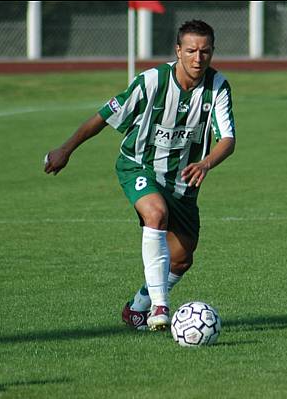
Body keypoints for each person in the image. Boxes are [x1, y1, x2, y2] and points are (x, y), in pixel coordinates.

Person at [44, 20, 236, 331]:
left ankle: (137, 307)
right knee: (155, 214)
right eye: (191, 51)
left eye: (205, 51)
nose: (198, 58)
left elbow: (227, 139)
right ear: (178, 51)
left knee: (182, 259)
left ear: (212, 52)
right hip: (139, 165)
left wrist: (206, 163)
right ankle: (161, 307)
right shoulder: (151, 82)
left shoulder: (217, 87)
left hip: (183, 179)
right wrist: (66, 149)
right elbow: (103, 117)